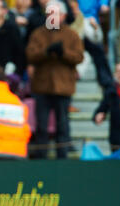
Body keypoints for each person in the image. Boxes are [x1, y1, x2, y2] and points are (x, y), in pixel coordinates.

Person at [26, 0, 83, 159]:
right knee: (42, 126)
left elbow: (79, 57)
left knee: (63, 126)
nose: (52, 17)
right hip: (42, 86)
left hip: (63, 87)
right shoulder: (38, 33)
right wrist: (46, 52)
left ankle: (62, 157)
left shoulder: (72, 34)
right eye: (49, 14)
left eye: (55, 14)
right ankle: (42, 157)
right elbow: (30, 55)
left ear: (63, 15)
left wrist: (63, 53)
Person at [93, 61, 120, 152]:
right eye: (119, 72)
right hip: (116, 136)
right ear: (115, 74)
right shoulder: (110, 91)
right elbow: (102, 108)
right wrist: (98, 115)